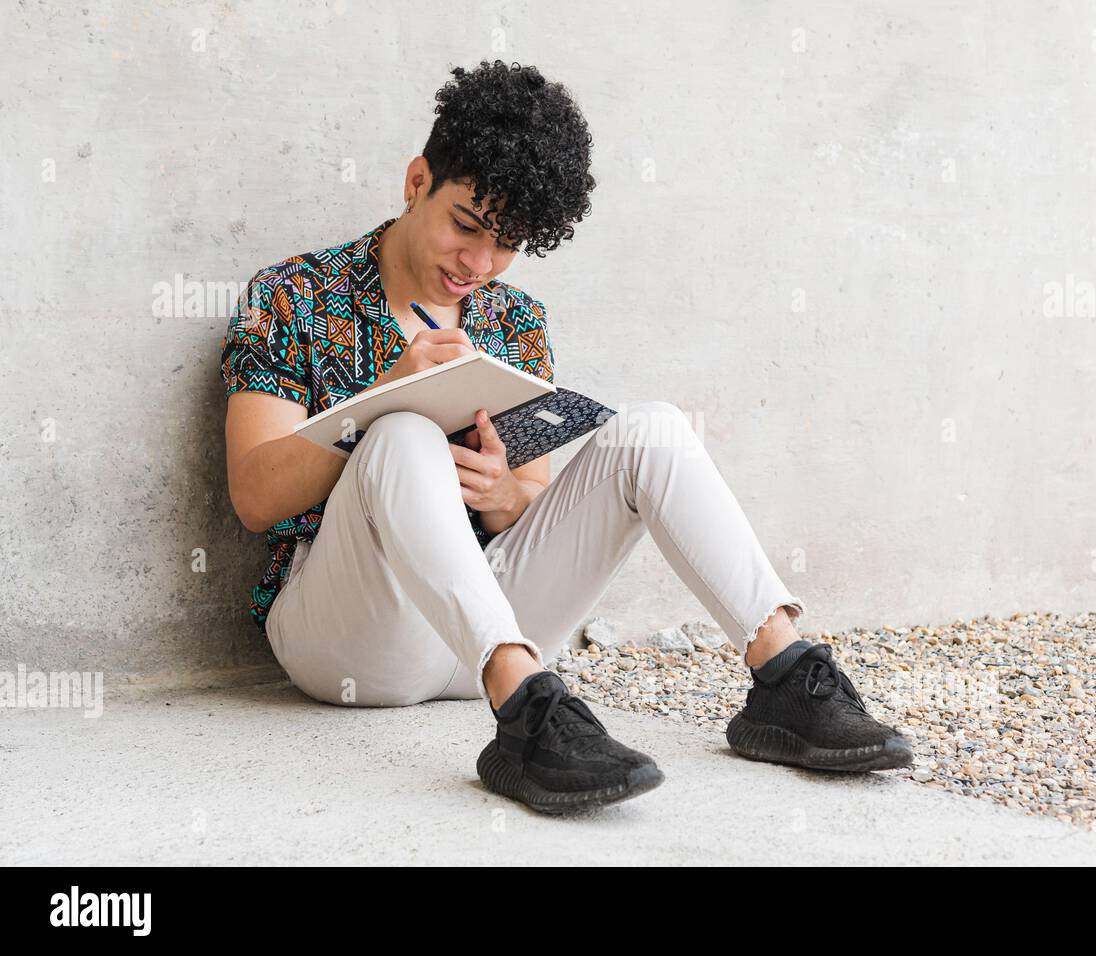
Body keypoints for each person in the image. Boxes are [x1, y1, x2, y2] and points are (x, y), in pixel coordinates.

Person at [220, 59, 912, 815]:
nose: (478, 264)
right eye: (466, 225)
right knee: (404, 433)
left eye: (507, 243)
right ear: (417, 180)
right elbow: (255, 497)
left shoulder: (513, 320)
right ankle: (528, 721)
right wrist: (383, 397)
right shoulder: (290, 295)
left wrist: (503, 493)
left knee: (652, 428)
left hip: (483, 630)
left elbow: (533, 506)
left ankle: (783, 676)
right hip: (353, 642)